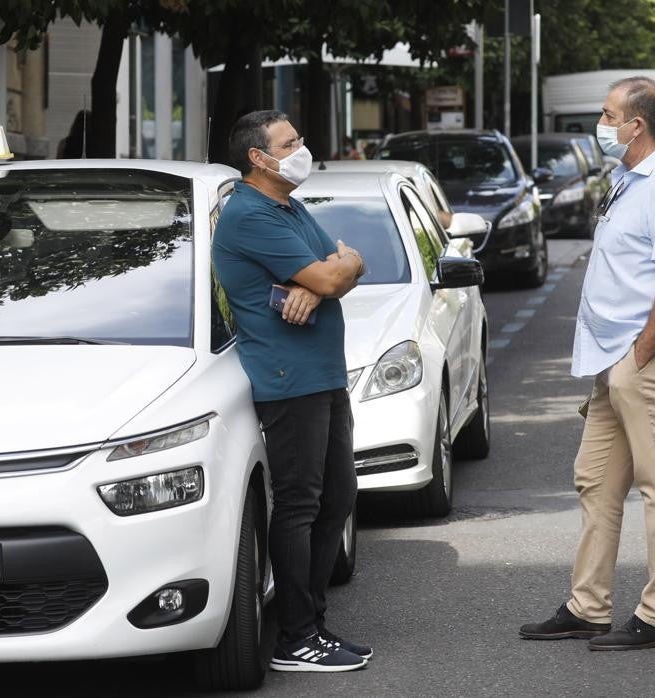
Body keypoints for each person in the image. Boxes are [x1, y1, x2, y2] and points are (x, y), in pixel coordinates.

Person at [519, 76, 655, 651]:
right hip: (616, 361)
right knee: (596, 481)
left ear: (636, 126)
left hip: (644, 360)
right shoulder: (629, 179)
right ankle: (588, 605)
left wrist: (637, 358)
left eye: (607, 116)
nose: (599, 126)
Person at [212, 110, 369, 673]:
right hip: (287, 378)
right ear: (259, 157)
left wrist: (333, 273)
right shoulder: (249, 215)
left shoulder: (291, 208)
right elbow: (332, 274)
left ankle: (314, 624)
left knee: (338, 497)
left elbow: (350, 263)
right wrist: (329, 276)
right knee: (301, 504)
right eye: (290, 142)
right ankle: (295, 637)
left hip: (322, 373)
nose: (301, 148)